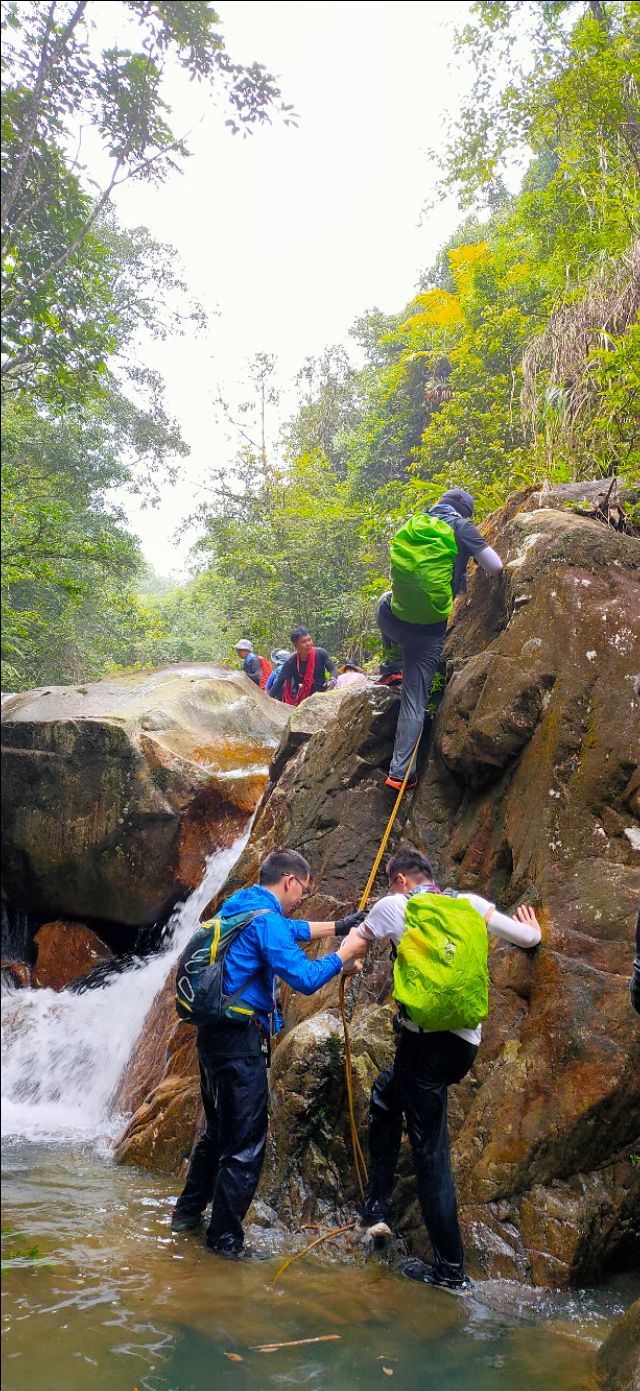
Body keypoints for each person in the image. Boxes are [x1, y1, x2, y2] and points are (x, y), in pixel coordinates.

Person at [354, 844, 541, 1290]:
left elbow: (353, 943)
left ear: (401, 880)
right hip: (464, 1045)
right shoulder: (468, 903)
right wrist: (533, 930)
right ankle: (376, 1209)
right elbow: (526, 939)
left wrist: (345, 965)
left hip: (423, 1045)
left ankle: (450, 1271)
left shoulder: (394, 905)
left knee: (430, 1152)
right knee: (386, 1093)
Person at [171, 848, 365, 1256]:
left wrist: (338, 926)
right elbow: (305, 978)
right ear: (290, 881)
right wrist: (344, 954)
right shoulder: (267, 921)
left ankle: (186, 1216)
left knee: (216, 1134)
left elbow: (288, 929)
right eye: (303, 890)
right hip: (241, 1044)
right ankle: (224, 1242)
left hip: (212, 1038)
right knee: (244, 1145)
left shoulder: (240, 905)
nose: (301, 898)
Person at [377, 488, 504, 790]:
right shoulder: (461, 527)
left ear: (440, 504)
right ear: (464, 511)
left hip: (393, 620)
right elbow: (496, 566)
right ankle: (400, 774)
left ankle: (391, 666)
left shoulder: (416, 523)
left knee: (383, 599)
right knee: (414, 701)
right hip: (428, 632)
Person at [268, 628, 339, 705]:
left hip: (321, 696)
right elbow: (279, 682)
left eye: (309, 640)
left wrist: (332, 680)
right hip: (302, 701)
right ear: (296, 645)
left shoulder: (321, 653)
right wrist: (267, 701)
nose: (308, 644)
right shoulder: (291, 662)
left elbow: (332, 669)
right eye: (303, 641)